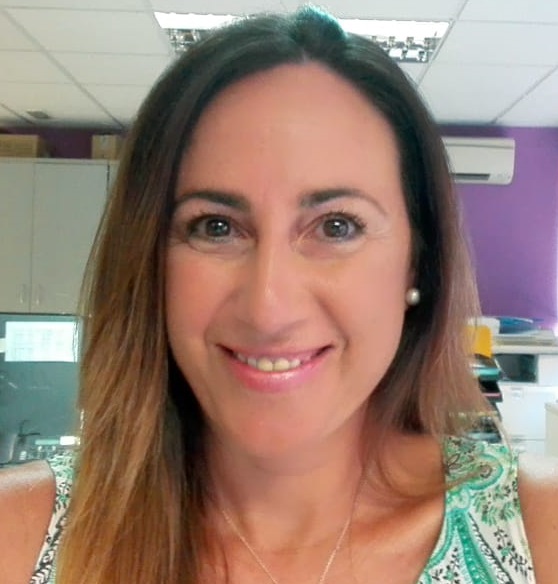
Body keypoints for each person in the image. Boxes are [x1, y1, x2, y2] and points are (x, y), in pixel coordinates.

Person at [1, 6, 557, 584]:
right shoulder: (18, 536)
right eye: (215, 227)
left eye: (336, 226)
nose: (268, 307)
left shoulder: (540, 531)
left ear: (417, 260)